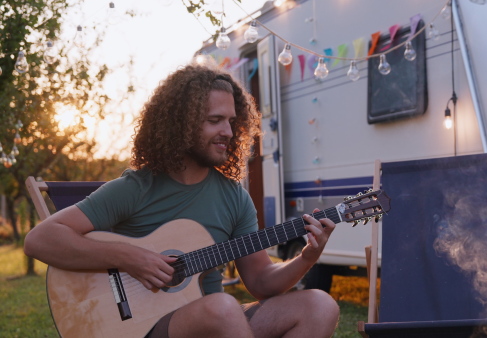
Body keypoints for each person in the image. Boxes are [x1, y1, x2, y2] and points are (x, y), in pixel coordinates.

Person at [24, 63, 340, 337]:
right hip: (144, 327)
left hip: (220, 324)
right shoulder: (137, 187)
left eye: (231, 121)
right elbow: (41, 239)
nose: (228, 132)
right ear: (181, 125)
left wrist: (307, 257)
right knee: (221, 308)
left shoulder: (234, 197)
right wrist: (130, 257)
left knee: (319, 306)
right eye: (215, 120)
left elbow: (260, 281)